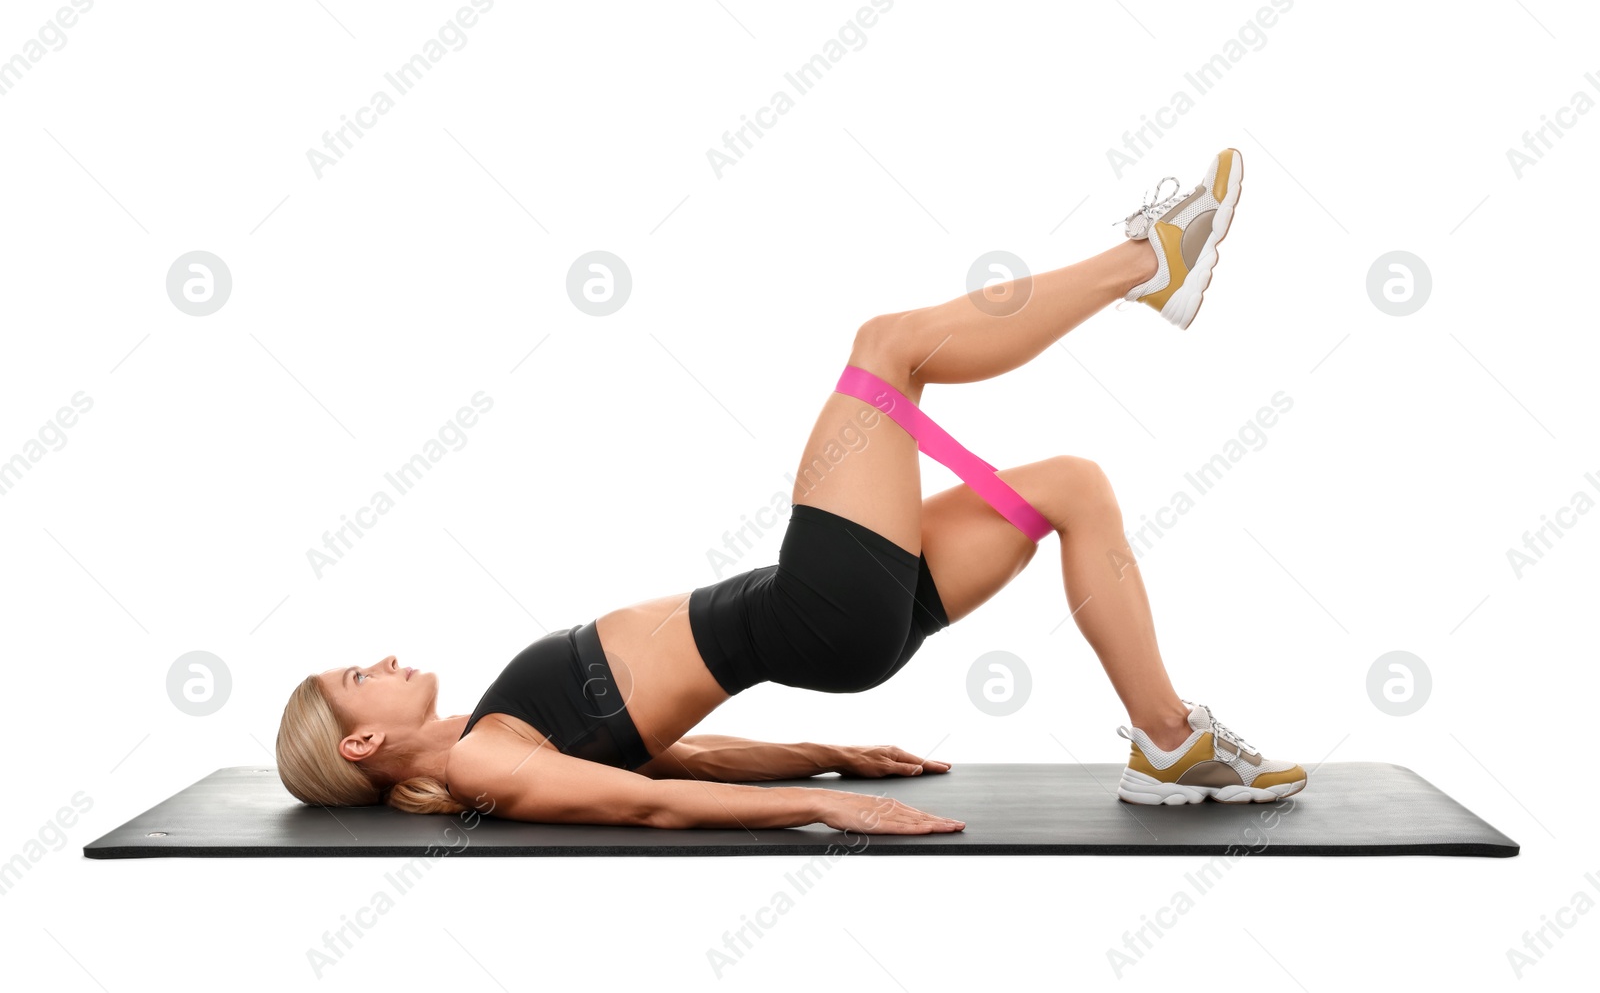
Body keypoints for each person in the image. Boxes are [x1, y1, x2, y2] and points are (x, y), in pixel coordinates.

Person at [276, 147, 1306, 835]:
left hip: (840, 623)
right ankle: (1145, 261)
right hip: (816, 613)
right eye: (358, 675)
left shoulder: (487, 734)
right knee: (887, 348)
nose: (383, 659)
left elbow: (681, 761)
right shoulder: (483, 767)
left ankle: (1170, 742)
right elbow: (649, 810)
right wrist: (824, 812)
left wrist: (830, 757)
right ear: (362, 740)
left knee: (1071, 487)